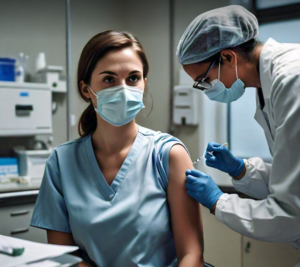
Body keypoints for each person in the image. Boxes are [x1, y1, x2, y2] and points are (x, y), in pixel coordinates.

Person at [31, 30, 205, 267]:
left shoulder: (168, 155)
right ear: (86, 90)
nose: (123, 89)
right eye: (109, 79)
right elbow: (65, 256)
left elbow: (191, 254)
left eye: (133, 78)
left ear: (144, 83)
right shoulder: (62, 162)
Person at [176, 5, 300, 250]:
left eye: (205, 80)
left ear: (228, 57)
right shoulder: (269, 84)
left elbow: (290, 214)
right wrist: (242, 169)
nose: (207, 89)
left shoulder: (292, 80)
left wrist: (217, 201)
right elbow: (293, 179)